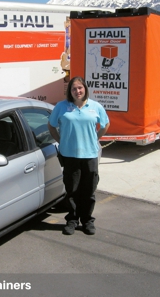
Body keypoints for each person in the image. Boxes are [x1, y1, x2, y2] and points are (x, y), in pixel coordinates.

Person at [48, 76, 110, 236]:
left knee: (89, 190)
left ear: (85, 89)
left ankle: (87, 221)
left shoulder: (95, 106)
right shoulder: (62, 107)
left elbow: (105, 124)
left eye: (80, 88)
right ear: (70, 91)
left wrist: (96, 138)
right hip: (69, 155)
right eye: (74, 89)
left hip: (90, 155)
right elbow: (51, 125)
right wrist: (61, 141)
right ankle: (72, 221)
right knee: (72, 190)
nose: (77, 91)